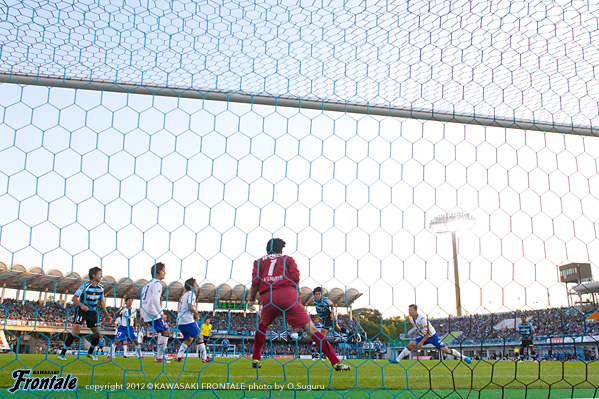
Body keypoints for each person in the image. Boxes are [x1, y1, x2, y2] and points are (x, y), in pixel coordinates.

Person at [247, 238, 350, 371]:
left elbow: (255, 282)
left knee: (263, 325)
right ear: (281, 250)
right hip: (288, 296)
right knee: (312, 330)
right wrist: (297, 288)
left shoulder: (259, 261)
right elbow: (296, 277)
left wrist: (252, 298)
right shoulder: (287, 259)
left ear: (267, 250)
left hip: (269, 298)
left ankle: (256, 358)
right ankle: (336, 363)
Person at [59, 267, 112, 361]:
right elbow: (75, 298)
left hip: (93, 312)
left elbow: (102, 303)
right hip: (82, 311)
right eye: (99, 274)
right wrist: (81, 305)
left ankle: (90, 353)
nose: (101, 276)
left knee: (97, 334)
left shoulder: (101, 288)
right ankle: (62, 354)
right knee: (75, 332)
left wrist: (107, 315)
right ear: (93, 276)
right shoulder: (85, 286)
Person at [391, 305, 472, 364]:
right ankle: (397, 360)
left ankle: (464, 357)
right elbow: (420, 330)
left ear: (415, 311)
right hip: (423, 335)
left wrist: (421, 342)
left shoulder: (422, 319)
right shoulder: (412, 320)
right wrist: (419, 339)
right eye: (408, 310)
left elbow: (428, 332)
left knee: (446, 350)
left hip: (432, 336)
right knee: (410, 345)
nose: (409, 312)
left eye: (410, 310)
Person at [140, 262, 171, 363]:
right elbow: (154, 300)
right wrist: (161, 313)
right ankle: (159, 357)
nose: (165, 273)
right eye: (163, 271)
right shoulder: (157, 283)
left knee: (161, 332)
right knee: (166, 332)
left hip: (145, 311)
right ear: (158, 272)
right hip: (152, 311)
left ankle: (160, 355)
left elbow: (143, 300)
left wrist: (141, 314)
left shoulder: (147, 284)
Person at [175, 278, 210, 363]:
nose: (197, 286)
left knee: (189, 339)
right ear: (192, 286)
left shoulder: (185, 295)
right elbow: (190, 306)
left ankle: (178, 357)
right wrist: (196, 314)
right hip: (187, 319)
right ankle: (205, 358)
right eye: (196, 284)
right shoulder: (191, 294)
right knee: (200, 336)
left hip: (180, 321)